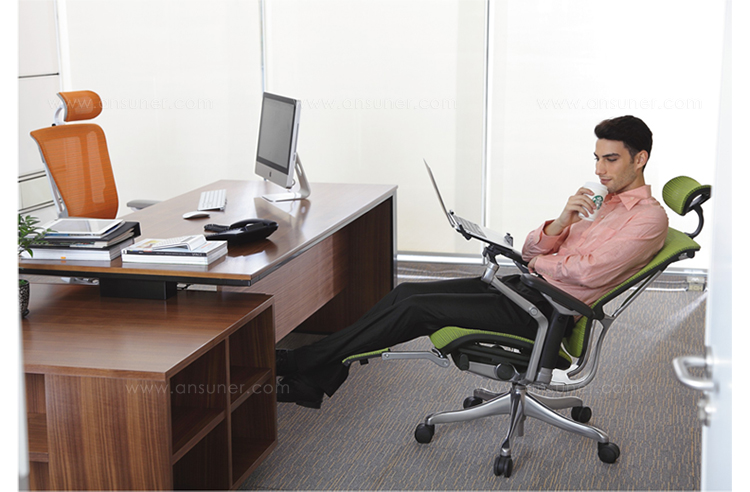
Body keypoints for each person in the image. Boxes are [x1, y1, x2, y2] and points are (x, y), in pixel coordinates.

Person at [276, 115, 668, 409]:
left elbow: (586, 272)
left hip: (547, 312)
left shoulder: (648, 220)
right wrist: (562, 221)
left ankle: (299, 363)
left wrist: (540, 265)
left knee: (416, 309)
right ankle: (315, 375)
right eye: (597, 159)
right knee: (407, 293)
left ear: (640, 159)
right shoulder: (599, 202)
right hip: (526, 289)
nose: (599, 170)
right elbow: (531, 251)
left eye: (610, 159)